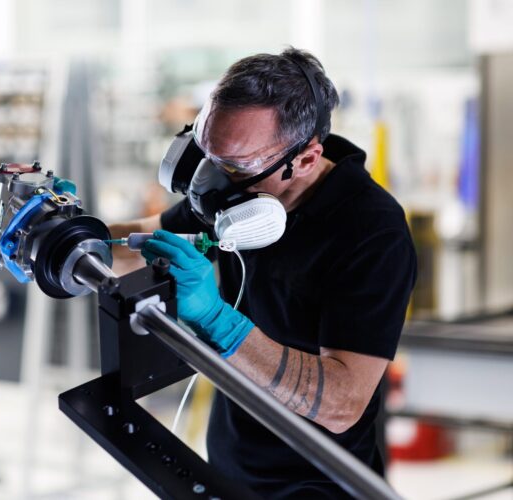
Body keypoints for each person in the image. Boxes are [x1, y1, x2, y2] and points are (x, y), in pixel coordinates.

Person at [109, 48, 417, 498]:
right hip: (230, 467)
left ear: (306, 160)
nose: (208, 180)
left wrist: (220, 322)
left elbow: (341, 403)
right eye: (205, 150)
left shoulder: (372, 232)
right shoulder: (233, 186)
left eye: (234, 165)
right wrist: (67, 235)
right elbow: (141, 240)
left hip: (317, 484)